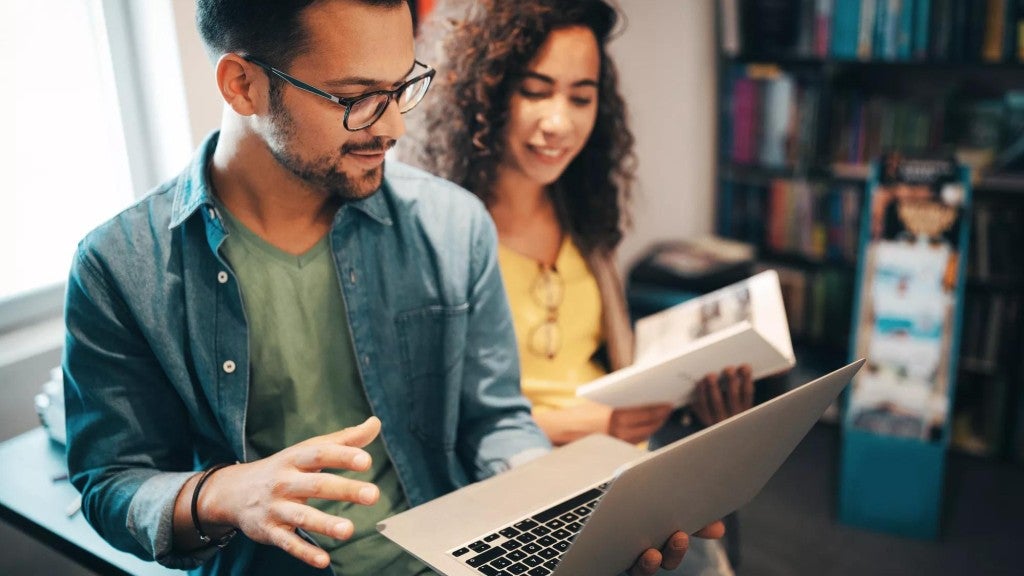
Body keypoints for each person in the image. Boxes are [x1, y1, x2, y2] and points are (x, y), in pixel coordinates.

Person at [62, 1, 718, 575]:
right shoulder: (120, 265)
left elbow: (495, 419)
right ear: (243, 85)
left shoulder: (452, 224)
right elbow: (110, 482)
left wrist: (556, 507)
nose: (394, 128)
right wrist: (222, 495)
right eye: (356, 98)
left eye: (402, 87)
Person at [404, 0, 754, 573]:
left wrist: (692, 391)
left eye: (581, 96)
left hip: (625, 466)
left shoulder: (585, 221)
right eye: (536, 90)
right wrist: (591, 424)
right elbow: (433, 422)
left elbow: (608, 363)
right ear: (487, 94)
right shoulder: (441, 234)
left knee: (702, 558)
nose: (559, 122)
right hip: (515, 485)